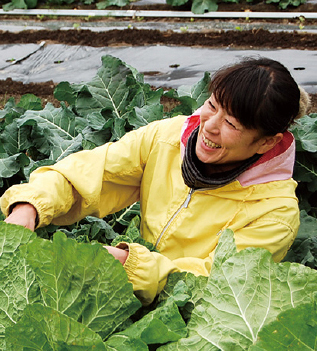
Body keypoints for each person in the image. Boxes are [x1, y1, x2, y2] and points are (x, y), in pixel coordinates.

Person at [1, 57, 310, 305]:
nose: (210, 127)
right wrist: (30, 205)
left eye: (231, 123)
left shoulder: (275, 213)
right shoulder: (166, 139)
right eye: (212, 105)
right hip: (133, 286)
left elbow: (216, 283)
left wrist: (131, 263)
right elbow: (94, 172)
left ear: (267, 143)